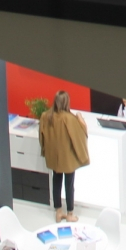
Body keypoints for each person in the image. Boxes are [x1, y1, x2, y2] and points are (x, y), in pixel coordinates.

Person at [39, 90, 90, 222]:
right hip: (67, 158)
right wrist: (80, 117)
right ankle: (70, 214)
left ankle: (58, 212)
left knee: (56, 182)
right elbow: (82, 133)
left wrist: (44, 151)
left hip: (53, 157)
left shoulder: (45, 116)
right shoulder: (69, 119)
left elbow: (41, 137)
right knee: (69, 185)